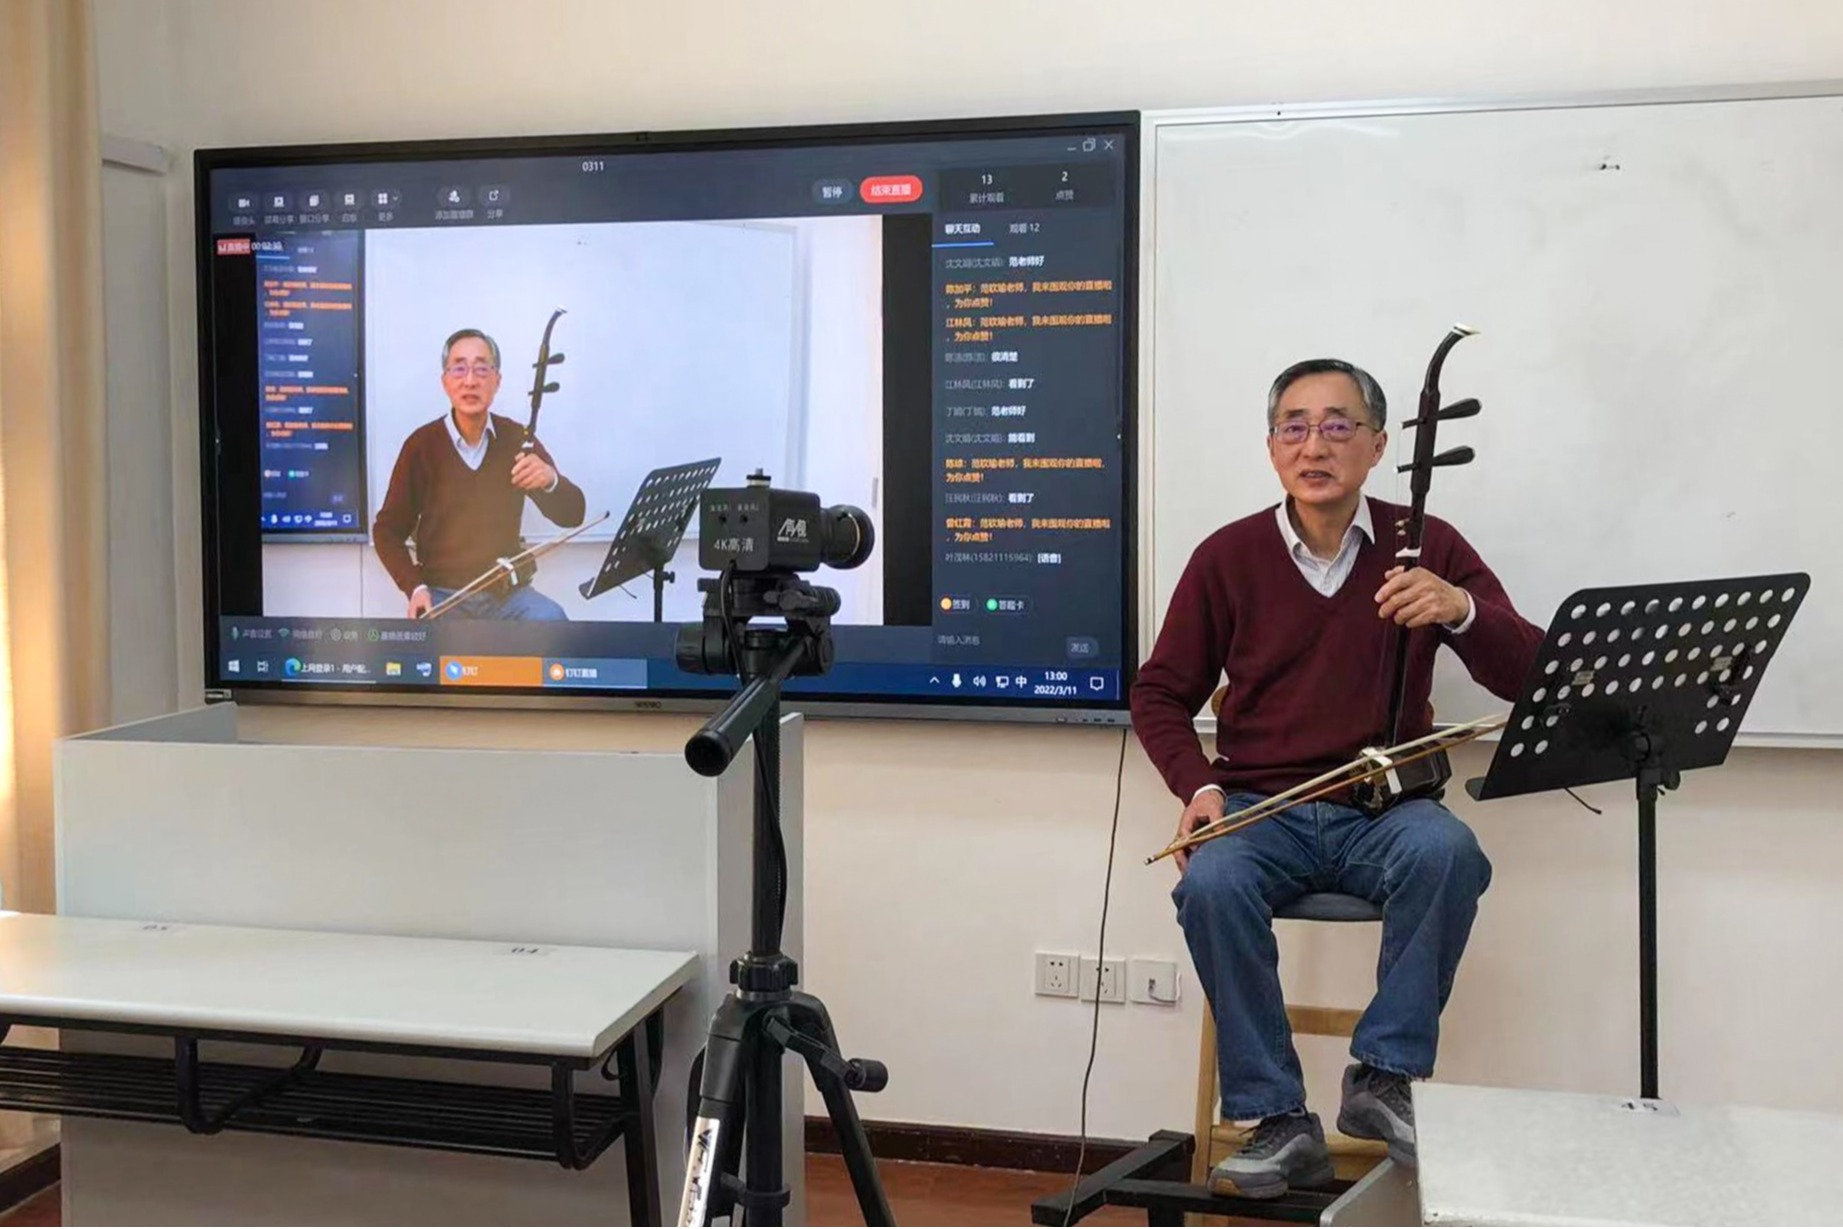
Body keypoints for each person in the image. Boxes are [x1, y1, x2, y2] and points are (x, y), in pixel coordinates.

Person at [1130, 357, 1544, 1198]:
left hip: (1385, 808)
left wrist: (1460, 608)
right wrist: (1199, 789)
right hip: (1261, 807)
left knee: (1448, 852)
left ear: (1378, 444)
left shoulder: (1425, 544)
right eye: (1293, 426)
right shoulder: (1228, 556)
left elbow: (1527, 673)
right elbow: (1159, 691)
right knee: (1210, 881)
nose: (1312, 445)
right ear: (1271, 445)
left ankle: (1382, 1076)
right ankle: (1278, 1118)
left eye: (1336, 425)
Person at [372, 328, 586, 620]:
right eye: (459, 369)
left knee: (551, 619)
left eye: (482, 369)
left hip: (508, 596)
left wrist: (551, 481)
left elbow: (573, 515)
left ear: (497, 381)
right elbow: (387, 531)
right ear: (445, 381)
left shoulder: (517, 439)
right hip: (444, 596)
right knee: (433, 639)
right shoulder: (421, 446)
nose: (470, 380)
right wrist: (415, 587)